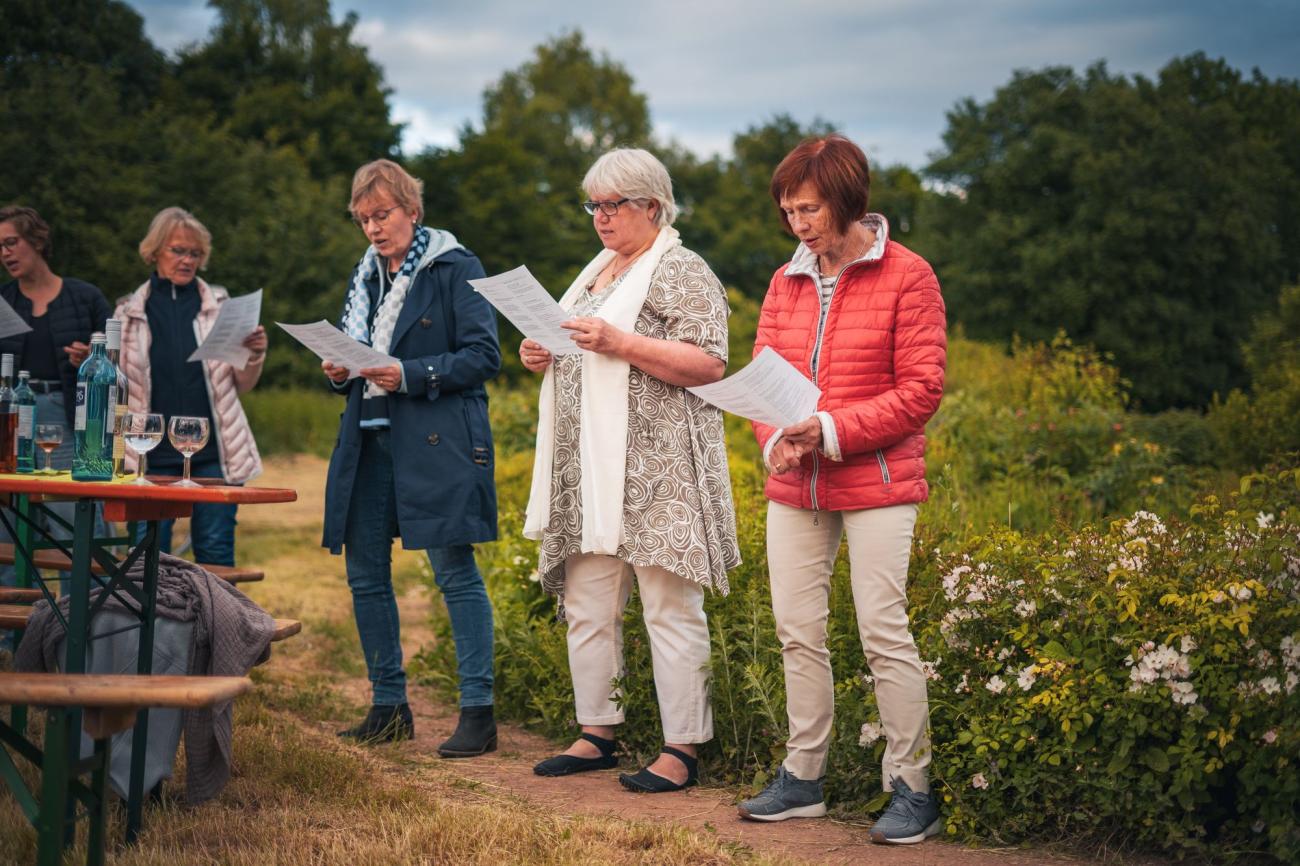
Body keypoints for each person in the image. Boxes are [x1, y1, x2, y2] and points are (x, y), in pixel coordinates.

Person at [737, 135, 947, 844]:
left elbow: (921, 391)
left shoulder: (909, 276)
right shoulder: (784, 280)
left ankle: (911, 787)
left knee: (883, 634)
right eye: (789, 210)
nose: (798, 223)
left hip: (880, 482)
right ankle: (803, 778)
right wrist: (775, 439)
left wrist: (825, 428)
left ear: (848, 200)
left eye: (809, 208)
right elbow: (764, 375)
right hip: (799, 483)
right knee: (798, 633)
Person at [521, 148, 739, 793]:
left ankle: (682, 748)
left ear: (653, 205)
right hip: (587, 469)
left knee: (669, 606)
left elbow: (709, 362)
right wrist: (544, 352)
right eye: (595, 205)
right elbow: (577, 345)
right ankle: (597, 733)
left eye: (614, 205)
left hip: (658, 468)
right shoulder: (596, 272)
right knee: (589, 605)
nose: (602, 218)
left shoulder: (680, 268)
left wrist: (619, 343)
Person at [322, 159, 500, 754]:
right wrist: (339, 368)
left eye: (383, 214)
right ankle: (388, 705)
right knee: (366, 575)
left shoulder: (454, 266)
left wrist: (408, 373)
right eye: (364, 218)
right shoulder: (365, 277)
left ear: (412, 211)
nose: (373, 228)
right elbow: (361, 358)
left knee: (454, 573)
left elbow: (482, 355)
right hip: (367, 441)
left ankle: (478, 711)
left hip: (437, 440)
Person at [116, 207, 268, 565]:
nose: (187, 260)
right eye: (178, 251)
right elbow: (118, 388)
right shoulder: (127, 312)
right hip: (148, 457)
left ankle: (216, 624)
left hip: (214, 454)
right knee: (144, 559)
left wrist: (255, 354)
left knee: (215, 555)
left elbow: (242, 385)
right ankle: (148, 624)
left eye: (195, 254)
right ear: (155, 252)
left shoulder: (221, 306)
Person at [0, 205, 112, 583]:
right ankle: (12, 638)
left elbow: (116, 360)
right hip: (12, 423)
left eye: (11, 243)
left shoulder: (85, 297)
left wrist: (90, 359)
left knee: (74, 529)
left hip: (68, 422)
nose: (5, 254)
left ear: (36, 241)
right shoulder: (3, 299)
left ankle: (80, 633)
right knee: (10, 531)